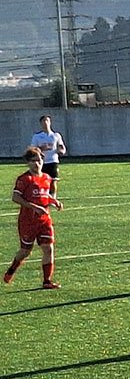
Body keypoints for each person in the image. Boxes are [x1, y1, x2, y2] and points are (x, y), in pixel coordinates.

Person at [4, 147, 61, 289]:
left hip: (44, 220)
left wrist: (53, 201)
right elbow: (15, 197)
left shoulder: (47, 178)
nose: (37, 163)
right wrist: (34, 207)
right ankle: (12, 269)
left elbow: (43, 195)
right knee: (25, 251)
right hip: (28, 222)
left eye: (39, 160)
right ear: (28, 163)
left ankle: (47, 281)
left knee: (48, 248)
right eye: (33, 161)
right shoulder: (24, 179)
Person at [29, 115, 66, 196]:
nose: (45, 123)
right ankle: (42, 197)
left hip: (53, 161)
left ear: (50, 122)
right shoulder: (37, 136)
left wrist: (61, 151)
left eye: (47, 121)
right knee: (41, 180)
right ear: (41, 123)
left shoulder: (56, 135)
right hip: (41, 162)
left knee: (53, 181)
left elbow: (61, 146)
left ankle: (53, 198)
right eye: (43, 121)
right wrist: (41, 148)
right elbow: (32, 149)